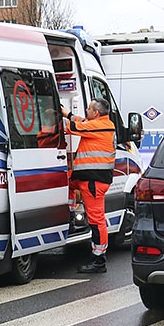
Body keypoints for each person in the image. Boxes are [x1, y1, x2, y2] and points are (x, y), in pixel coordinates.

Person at [62, 98, 116, 274]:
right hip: (87, 178)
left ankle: (99, 260)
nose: (86, 110)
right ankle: (70, 216)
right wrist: (67, 113)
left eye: (89, 108)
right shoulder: (99, 123)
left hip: (94, 180)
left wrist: (59, 117)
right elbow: (81, 121)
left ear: (97, 113)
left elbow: (75, 127)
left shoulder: (102, 126)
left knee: (96, 220)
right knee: (67, 183)